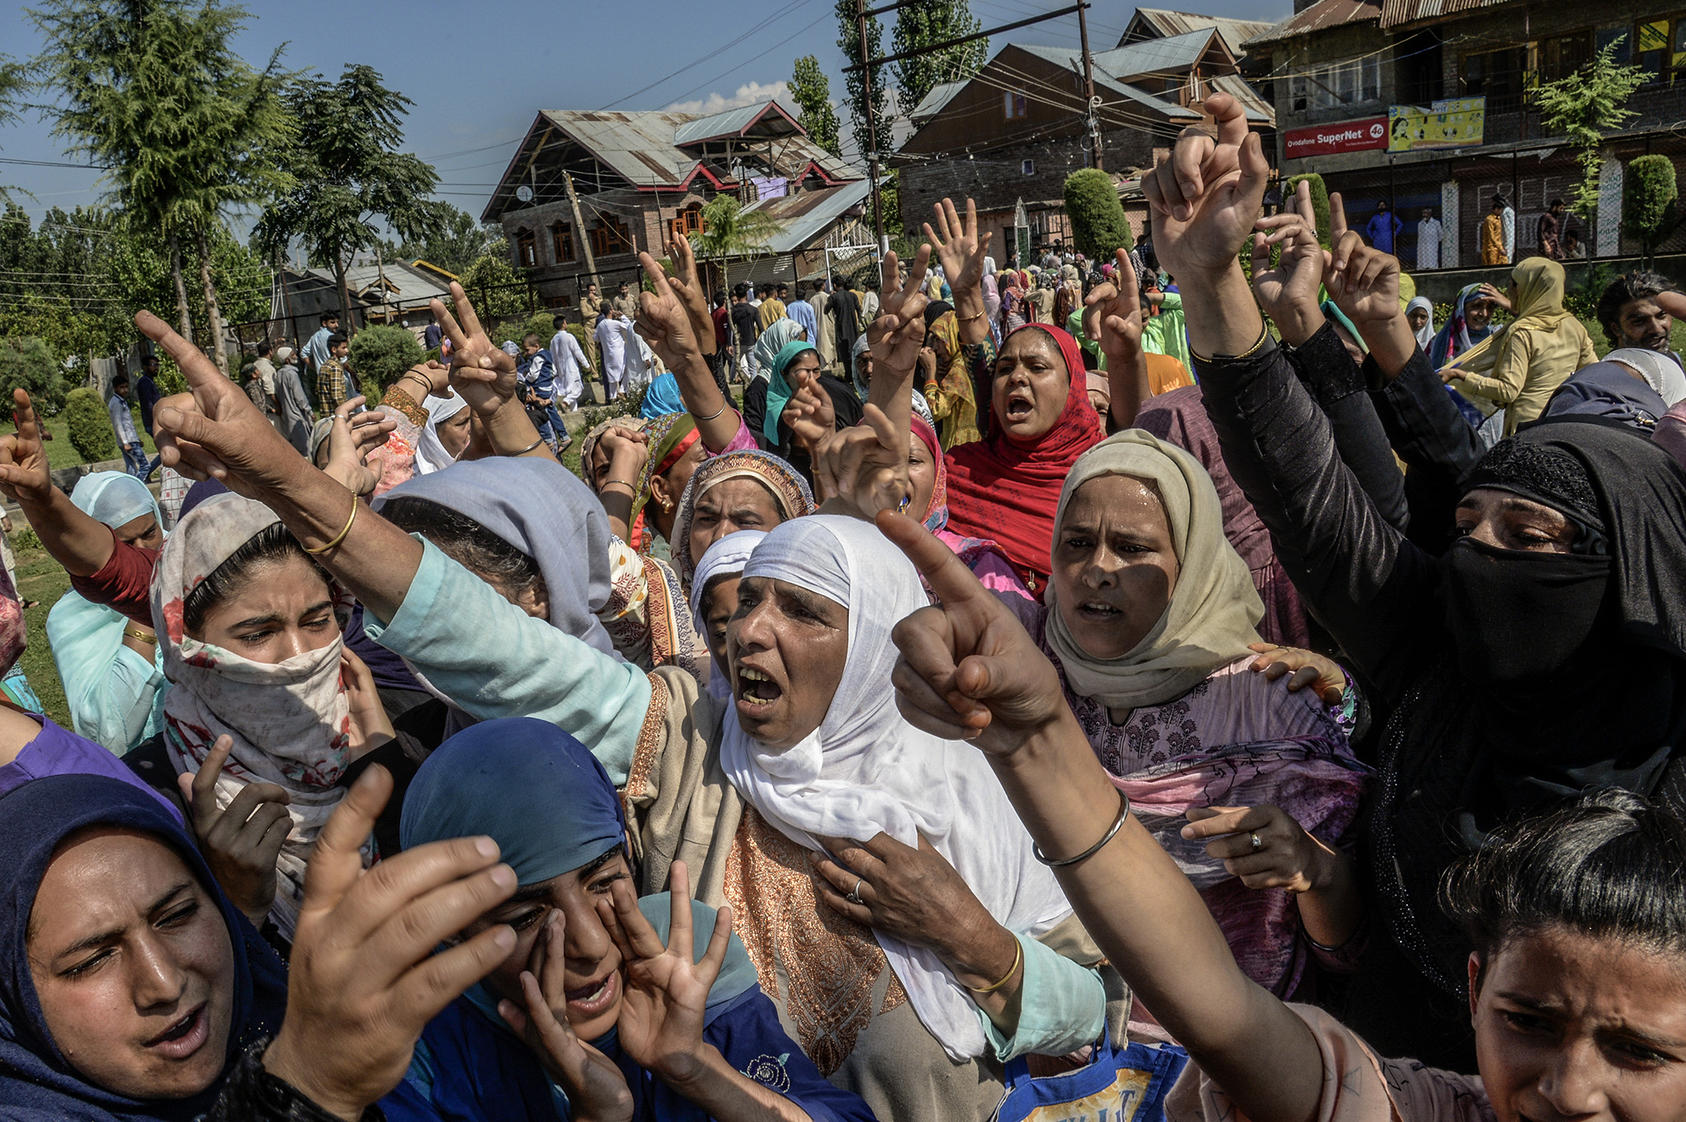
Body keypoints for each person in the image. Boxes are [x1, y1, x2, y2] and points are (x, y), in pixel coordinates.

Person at [139, 324, 1113, 1121]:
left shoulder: (979, 780)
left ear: (869, 644)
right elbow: (481, 636)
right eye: (744, 598)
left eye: (801, 609)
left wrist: (976, 942)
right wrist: (281, 472)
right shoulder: (692, 737)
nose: (748, 628)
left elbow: (1101, 1010)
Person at [1138, 89, 1686, 1066]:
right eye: (1468, 527)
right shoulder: (1441, 657)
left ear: (1632, 570)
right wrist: (1209, 275)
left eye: (1527, 534)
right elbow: (1307, 491)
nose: (1479, 558)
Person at [881, 509, 1686, 1122]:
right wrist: (1036, 740)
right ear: (1476, 992)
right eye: (1528, 1022)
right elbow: (1221, 1015)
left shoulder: (1278, 702)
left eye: (1638, 1051)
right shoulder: (1421, 1108)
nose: (1569, 1090)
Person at [996, 429, 1365, 1010]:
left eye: (1133, 547)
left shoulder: (1268, 703)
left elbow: (1346, 953)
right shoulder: (1025, 664)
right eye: (1077, 542)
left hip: (1222, 1048)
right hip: (1044, 1022)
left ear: (1189, 562)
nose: (1098, 570)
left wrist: (1312, 871)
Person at [385, 718, 876, 1122]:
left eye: (603, 883)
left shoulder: (682, 960)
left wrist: (696, 1069)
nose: (591, 943)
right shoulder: (419, 1050)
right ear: (451, 929)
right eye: (525, 917)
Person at [942, 321, 1103, 594]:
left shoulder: (1104, 473)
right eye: (1005, 369)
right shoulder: (958, 472)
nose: (1017, 377)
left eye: (1037, 367)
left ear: (1073, 385)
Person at [46, 473, 168, 755]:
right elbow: (109, 736)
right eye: (125, 544)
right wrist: (143, 610)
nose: (143, 551)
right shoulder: (72, 618)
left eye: (150, 533)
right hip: (145, 771)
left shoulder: (190, 569)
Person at [1444, 257, 1599, 435]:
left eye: (1514, 284)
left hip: (1527, 429)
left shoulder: (1522, 332)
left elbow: (1507, 391)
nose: (1509, 290)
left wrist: (1459, 375)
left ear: (1530, 289)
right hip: (1561, 421)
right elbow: (1593, 373)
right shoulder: (1573, 326)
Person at [669, 448, 815, 584]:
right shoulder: (654, 599)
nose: (720, 536)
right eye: (707, 519)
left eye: (746, 522)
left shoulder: (815, 609)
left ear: (787, 536)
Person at [1596, 268, 1686, 357]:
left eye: (1661, 316)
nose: (1657, 329)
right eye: (1639, 321)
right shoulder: (1613, 370)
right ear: (1616, 329)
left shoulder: (1671, 360)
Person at [1426, 282, 1495, 369]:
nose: (1484, 314)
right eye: (1477, 306)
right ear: (1461, 309)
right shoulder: (1440, 342)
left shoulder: (1495, 338)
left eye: (1490, 307)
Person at [412, 391, 472, 475]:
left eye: (472, 419)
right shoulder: (408, 483)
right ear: (432, 434)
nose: (472, 428)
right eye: (462, 423)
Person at [270, 345, 314, 455]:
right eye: (293, 355)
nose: (296, 356)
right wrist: (309, 411)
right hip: (296, 415)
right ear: (287, 359)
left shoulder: (278, 374)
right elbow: (299, 397)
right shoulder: (292, 374)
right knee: (306, 449)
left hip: (286, 416)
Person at [548, 315, 592, 413]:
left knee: (570, 391)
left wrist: (554, 371)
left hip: (561, 370)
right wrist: (586, 365)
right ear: (563, 324)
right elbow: (577, 352)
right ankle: (565, 402)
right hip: (571, 368)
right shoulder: (568, 337)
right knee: (578, 389)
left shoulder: (553, 340)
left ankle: (573, 412)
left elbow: (552, 357)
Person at [108, 374, 148, 478]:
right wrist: (125, 442)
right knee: (145, 466)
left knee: (131, 467)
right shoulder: (116, 403)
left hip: (130, 439)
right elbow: (118, 424)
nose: (125, 390)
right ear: (115, 388)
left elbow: (128, 424)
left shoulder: (121, 401)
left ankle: (131, 486)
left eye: (126, 387)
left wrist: (138, 439)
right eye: (122, 387)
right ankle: (138, 487)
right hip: (128, 441)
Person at [595, 309, 634, 402]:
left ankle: (612, 397)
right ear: (610, 311)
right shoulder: (615, 323)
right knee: (627, 371)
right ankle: (622, 390)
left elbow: (595, 338)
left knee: (611, 377)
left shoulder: (600, 325)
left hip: (607, 355)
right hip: (619, 352)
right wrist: (622, 316)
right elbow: (629, 326)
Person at [314, 333, 354, 416]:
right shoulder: (335, 367)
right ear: (334, 349)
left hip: (325, 413)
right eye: (343, 348)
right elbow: (337, 396)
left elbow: (317, 390)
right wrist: (346, 412)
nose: (347, 350)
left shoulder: (325, 365)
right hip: (334, 416)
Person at [300, 310, 340, 387]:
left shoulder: (314, 337)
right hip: (335, 376)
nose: (336, 325)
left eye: (337, 322)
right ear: (324, 323)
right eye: (332, 322)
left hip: (322, 377)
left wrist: (316, 368)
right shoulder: (332, 337)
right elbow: (342, 360)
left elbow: (303, 353)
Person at [730, 284, 761, 381]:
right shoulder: (753, 310)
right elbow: (761, 327)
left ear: (737, 296)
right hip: (750, 340)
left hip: (738, 341)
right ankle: (754, 382)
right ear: (746, 295)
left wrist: (728, 342)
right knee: (752, 365)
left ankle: (731, 380)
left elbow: (730, 327)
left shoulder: (733, 311)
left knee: (735, 362)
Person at [786, 279, 819, 345]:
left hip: (794, 339)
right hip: (809, 339)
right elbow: (813, 325)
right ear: (805, 296)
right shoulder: (808, 307)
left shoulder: (789, 307)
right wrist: (815, 337)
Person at [1480, 195, 1508, 265]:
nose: (1501, 212)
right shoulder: (1489, 220)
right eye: (1500, 210)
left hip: (1499, 247)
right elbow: (1491, 236)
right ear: (1496, 209)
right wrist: (1500, 248)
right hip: (1491, 249)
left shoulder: (1498, 219)